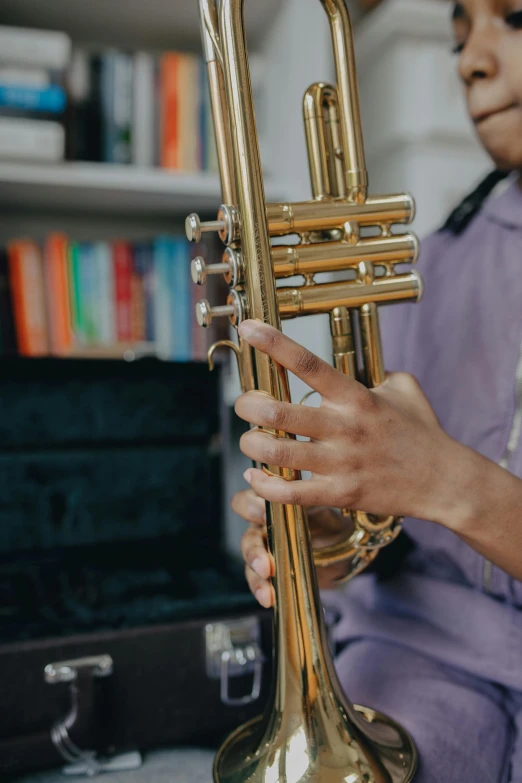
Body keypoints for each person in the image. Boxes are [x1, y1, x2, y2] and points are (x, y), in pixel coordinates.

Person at [230, 1, 522, 781]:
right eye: (460, 36)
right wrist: (325, 530)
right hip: (426, 647)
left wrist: (448, 480)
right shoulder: (440, 260)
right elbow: (382, 537)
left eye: (516, 18)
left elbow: (437, 482)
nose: (471, 60)